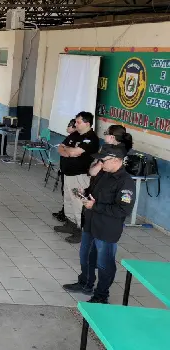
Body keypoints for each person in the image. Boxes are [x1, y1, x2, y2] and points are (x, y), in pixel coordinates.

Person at [62, 145, 135, 304]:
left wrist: (95, 206)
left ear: (116, 160)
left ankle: (101, 296)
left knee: (104, 264)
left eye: (104, 160)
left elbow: (123, 210)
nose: (101, 163)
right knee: (85, 256)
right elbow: (94, 191)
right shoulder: (104, 173)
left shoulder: (125, 182)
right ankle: (85, 284)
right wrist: (85, 192)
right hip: (91, 223)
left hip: (106, 229)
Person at [54, 112, 100, 243]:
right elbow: (60, 149)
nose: (75, 124)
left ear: (87, 123)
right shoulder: (74, 134)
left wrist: (70, 151)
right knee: (68, 199)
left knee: (78, 202)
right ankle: (70, 223)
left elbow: (75, 152)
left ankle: (81, 230)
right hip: (68, 173)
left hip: (80, 176)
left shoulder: (91, 138)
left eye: (78, 122)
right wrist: (70, 152)